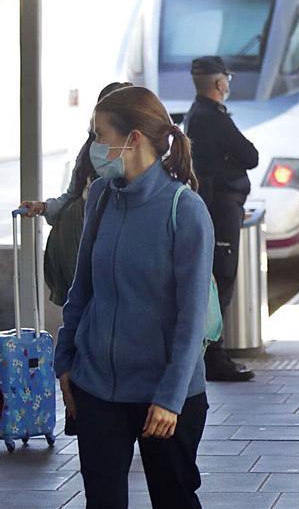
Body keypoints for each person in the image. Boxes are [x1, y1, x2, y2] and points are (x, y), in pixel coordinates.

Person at [55, 85, 214, 508]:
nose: (93, 146)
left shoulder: (185, 209)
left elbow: (191, 317)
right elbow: (81, 287)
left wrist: (170, 397)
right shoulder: (101, 199)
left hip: (163, 396)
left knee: (173, 500)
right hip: (96, 388)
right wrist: (65, 360)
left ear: (134, 139)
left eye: (99, 134)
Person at [19, 82, 131, 306]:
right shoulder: (91, 151)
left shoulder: (135, 163)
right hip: (75, 246)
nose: (98, 140)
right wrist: (43, 207)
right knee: (82, 311)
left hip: (98, 252)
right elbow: (73, 195)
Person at [182, 55, 258, 382]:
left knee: (216, 277)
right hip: (221, 208)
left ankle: (213, 353)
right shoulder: (213, 117)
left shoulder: (196, 115)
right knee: (221, 279)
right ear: (219, 83)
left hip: (215, 205)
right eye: (226, 79)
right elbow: (250, 155)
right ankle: (215, 357)